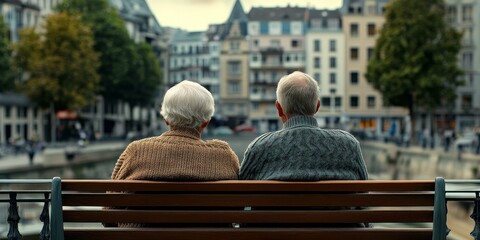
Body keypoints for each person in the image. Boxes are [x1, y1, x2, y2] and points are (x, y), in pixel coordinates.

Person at [109, 80, 240, 227]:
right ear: (206, 122)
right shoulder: (224, 155)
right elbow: (236, 209)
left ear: (166, 119)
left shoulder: (136, 151)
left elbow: (110, 213)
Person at [239, 71, 368, 181]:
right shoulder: (349, 145)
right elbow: (363, 196)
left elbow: (240, 197)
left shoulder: (259, 148)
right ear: (317, 106)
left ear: (279, 109)